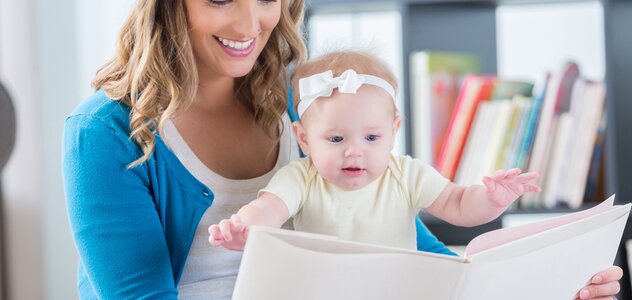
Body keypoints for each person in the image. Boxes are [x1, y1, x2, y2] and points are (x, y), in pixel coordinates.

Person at [61, 0, 622, 298]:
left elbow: (408, 251)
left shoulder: (307, 105)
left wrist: (548, 282)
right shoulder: (106, 133)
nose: (248, 21)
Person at [208, 50, 543, 252]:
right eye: (336, 140)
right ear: (305, 138)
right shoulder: (301, 177)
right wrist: (246, 227)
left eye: (371, 138)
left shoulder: (406, 174)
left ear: (394, 131)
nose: (355, 152)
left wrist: (492, 200)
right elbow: (269, 208)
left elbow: (458, 205)